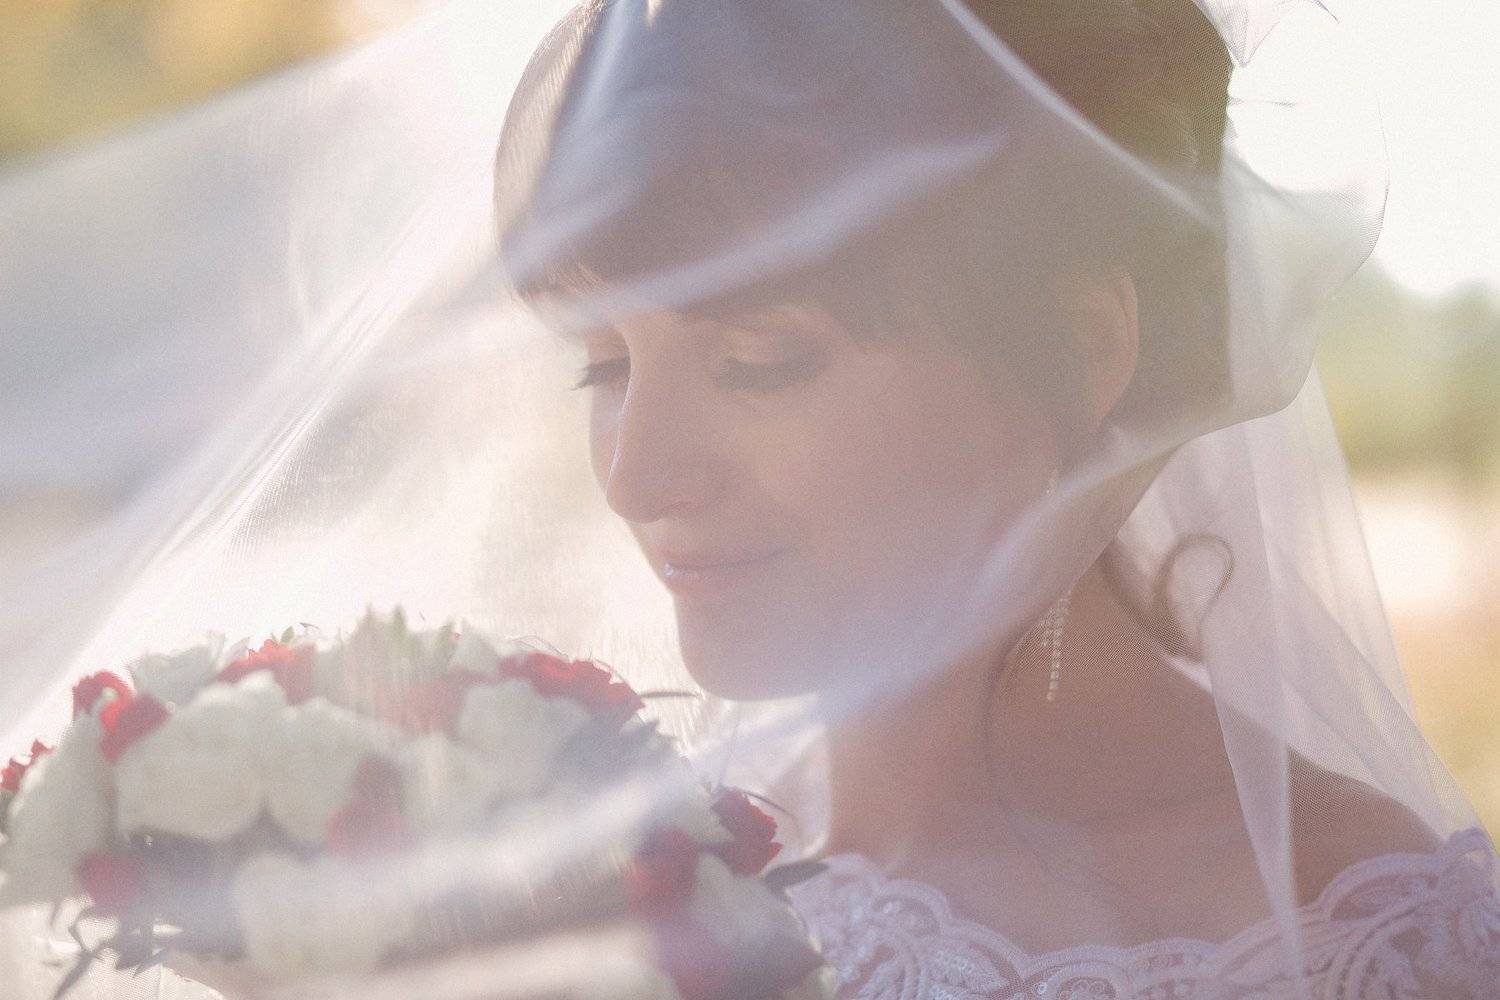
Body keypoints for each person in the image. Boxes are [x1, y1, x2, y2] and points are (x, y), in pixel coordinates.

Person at [492, 0, 1500, 995]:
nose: (635, 480)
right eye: (603, 365)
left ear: (1083, 348)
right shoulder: (619, 863)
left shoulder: (1338, 934)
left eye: (760, 362)